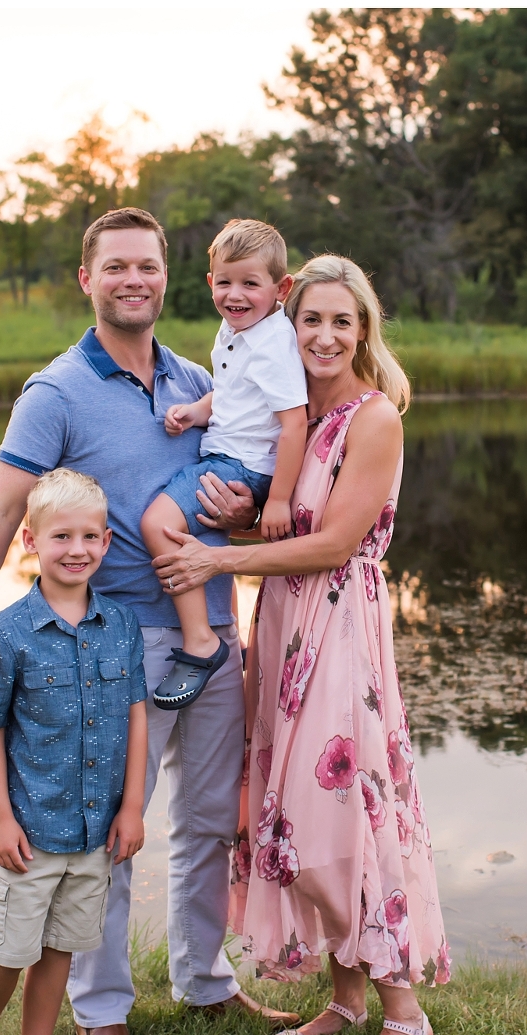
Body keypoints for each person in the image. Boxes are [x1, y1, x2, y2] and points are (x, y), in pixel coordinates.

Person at [0, 207, 299, 1035]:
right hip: (110, 647)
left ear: (166, 278)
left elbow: (243, 490)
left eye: (147, 266)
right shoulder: (57, 390)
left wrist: (246, 514)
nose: (134, 280)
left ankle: (205, 981)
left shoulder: (197, 376)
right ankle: (100, 1010)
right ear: (88, 279)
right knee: (110, 828)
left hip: (213, 632)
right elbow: (3, 505)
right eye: (117, 268)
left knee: (211, 820)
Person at [152, 255, 451, 1035]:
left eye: (340, 323)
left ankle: (404, 1014)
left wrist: (216, 561)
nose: (323, 336)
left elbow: (334, 544)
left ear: (364, 330)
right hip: (284, 622)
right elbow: (284, 532)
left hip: (341, 627)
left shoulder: (373, 417)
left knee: (345, 811)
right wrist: (235, 520)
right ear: (293, 322)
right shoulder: (295, 414)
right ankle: (345, 1000)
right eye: (311, 320)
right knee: (294, 810)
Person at [0, 469, 150, 1035]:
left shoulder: (121, 626)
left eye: (90, 537)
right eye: (61, 536)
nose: (77, 549)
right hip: (31, 833)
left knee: (60, 951)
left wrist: (133, 807)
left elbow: (137, 715)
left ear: (107, 544)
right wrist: (0, 820)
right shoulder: (7, 632)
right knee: (8, 952)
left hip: (94, 834)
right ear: (30, 542)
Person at [141, 218, 309, 710]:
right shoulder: (236, 329)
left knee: (157, 523)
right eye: (225, 282)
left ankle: (201, 642)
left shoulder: (275, 343)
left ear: (281, 289)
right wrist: (196, 412)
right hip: (227, 453)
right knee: (174, 529)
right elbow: (235, 396)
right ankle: (210, 632)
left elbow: (293, 424)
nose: (235, 295)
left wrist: (276, 500)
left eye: (250, 284)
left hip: (244, 466)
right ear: (210, 281)